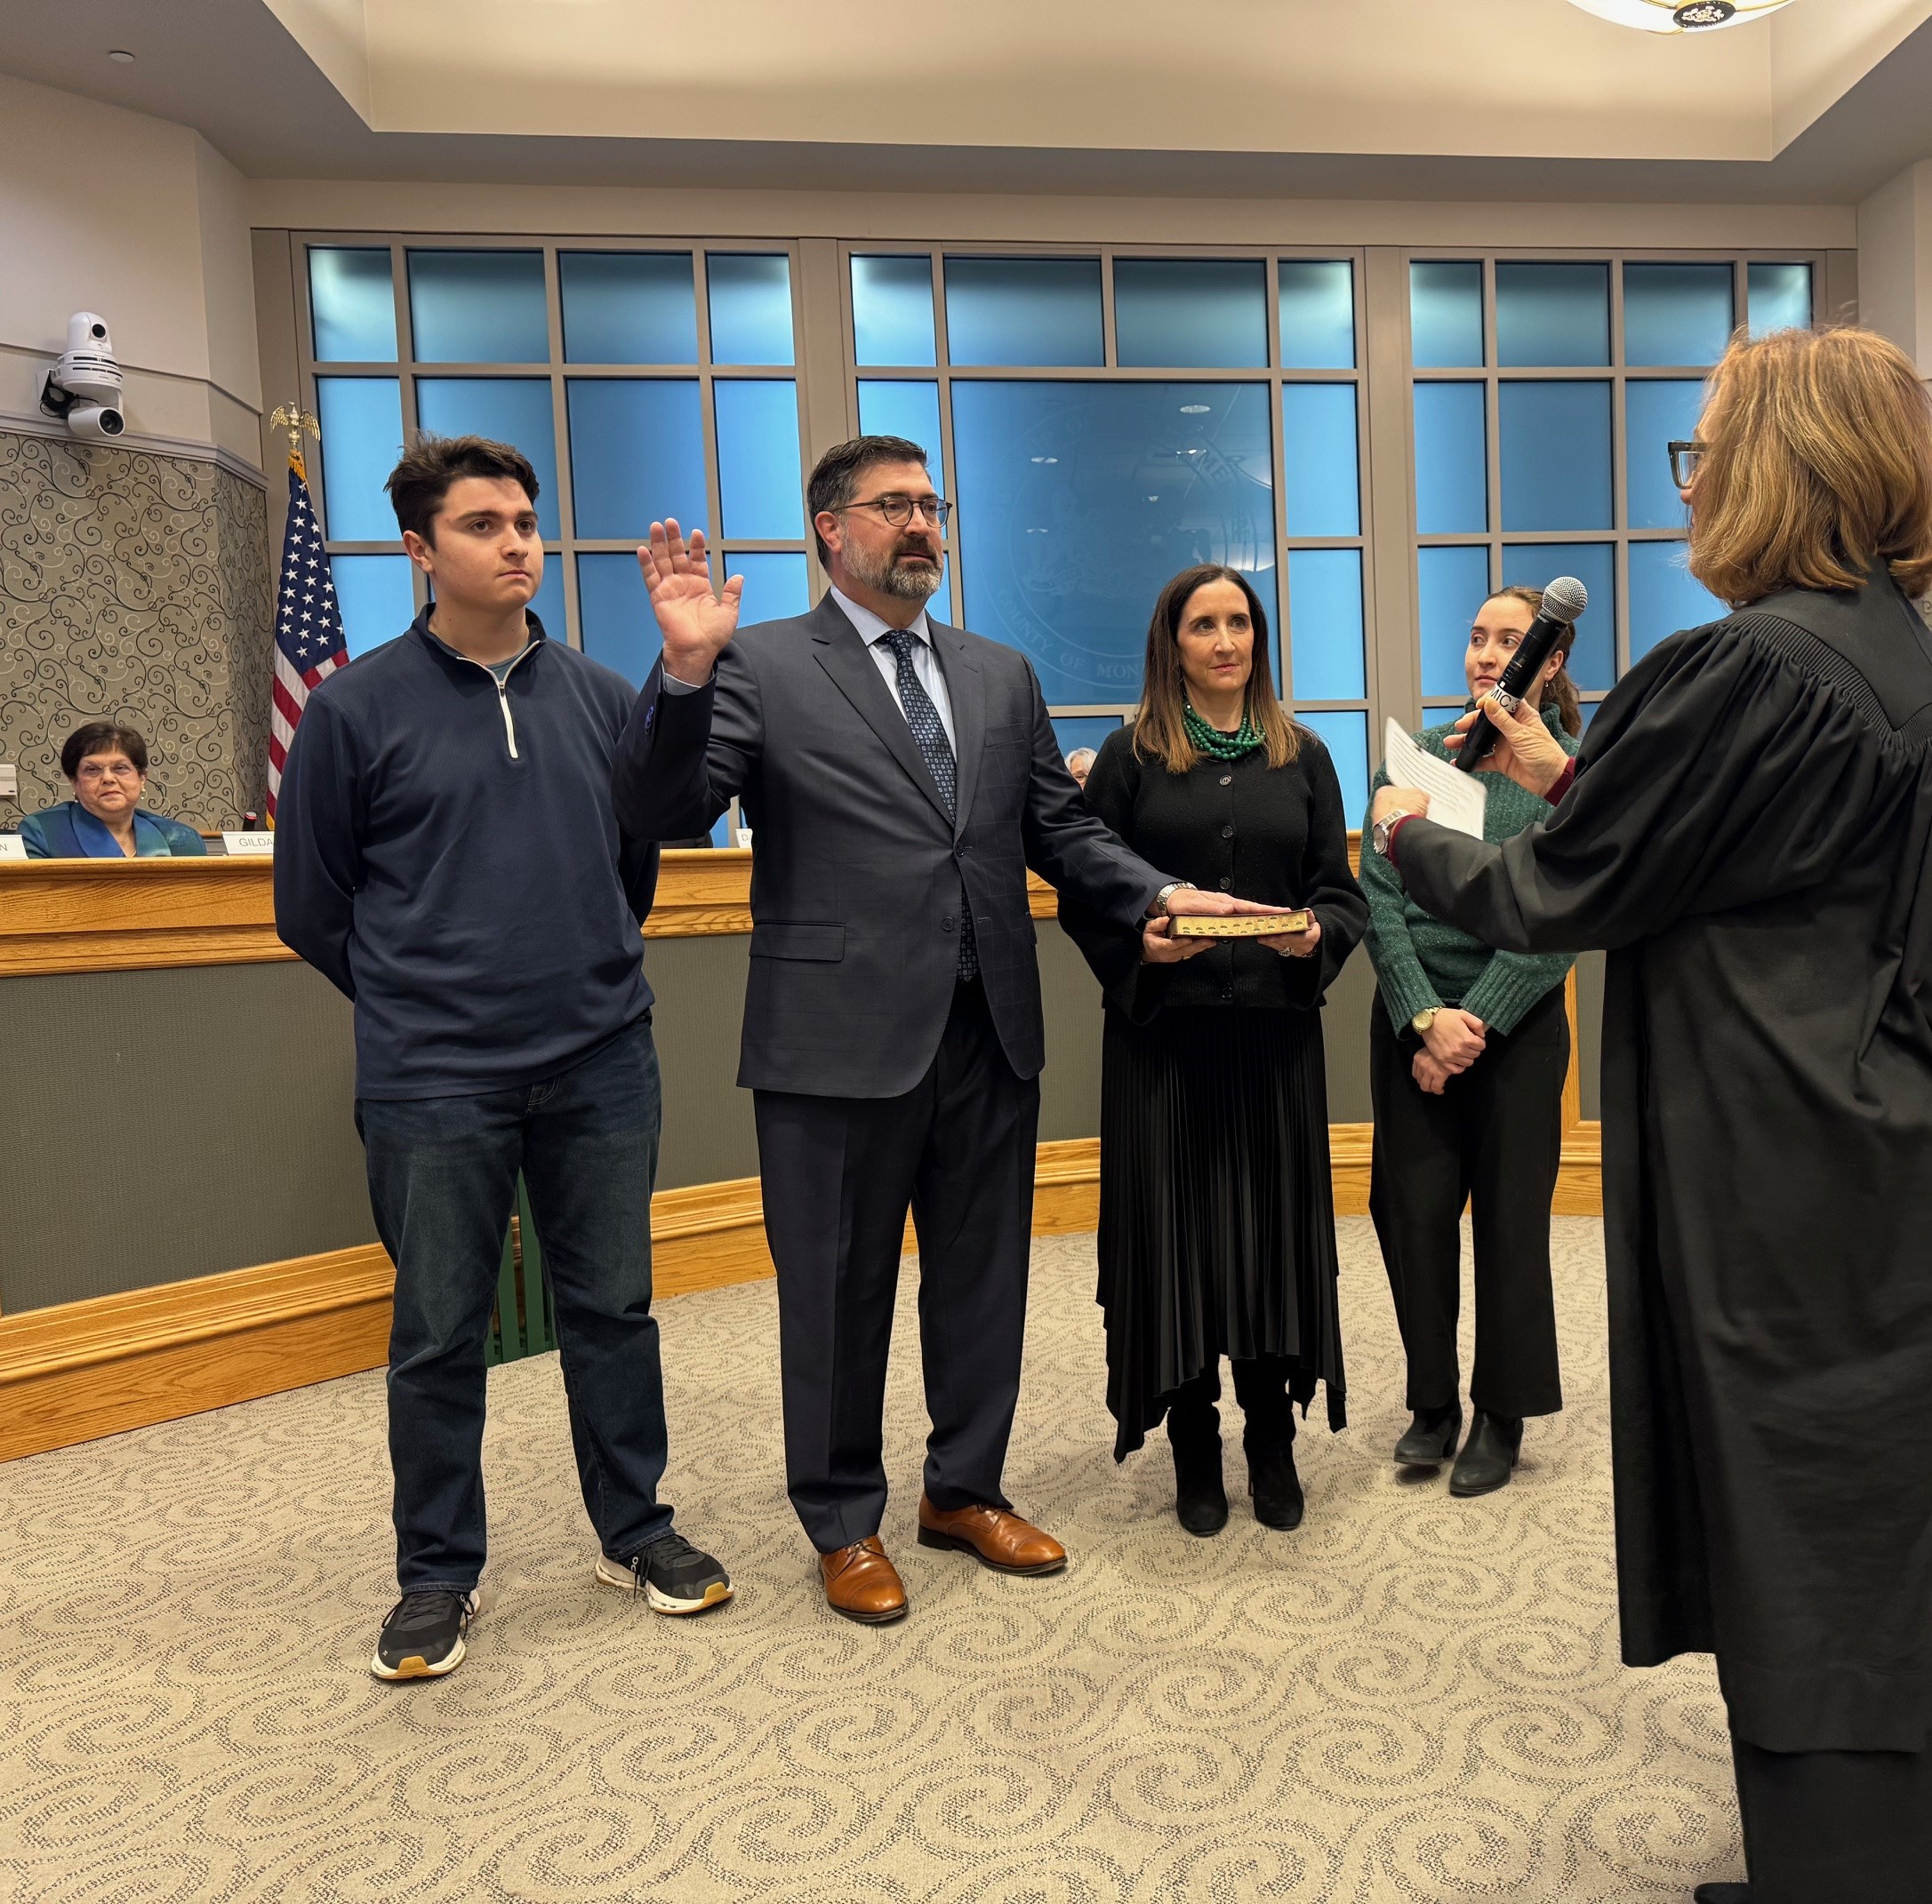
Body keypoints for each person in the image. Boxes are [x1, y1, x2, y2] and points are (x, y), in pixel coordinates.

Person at [1367, 326, 1932, 1904]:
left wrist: (1409, 832)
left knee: (1809, 1500)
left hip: (1791, 1136)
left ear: (1781, 462)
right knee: (1898, 1486)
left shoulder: (1742, 662)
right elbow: (1730, 850)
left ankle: (1851, 1882)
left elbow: (1549, 892)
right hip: (1909, 1112)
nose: (1697, 475)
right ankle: (1918, 1850)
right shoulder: (1900, 648)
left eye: (1710, 442)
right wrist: (1564, 766)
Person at [613, 436, 1272, 1625]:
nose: (921, 523)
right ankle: (842, 1519)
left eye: (931, 504)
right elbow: (666, 811)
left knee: (983, 1281)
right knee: (836, 1289)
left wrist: (1156, 892)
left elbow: (1060, 831)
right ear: (831, 529)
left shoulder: (999, 673)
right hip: (835, 1039)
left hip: (987, 1027)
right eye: (893, 506)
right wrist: (680, 670)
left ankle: (963, 1488)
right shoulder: (757, 663)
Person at [275, 435, 732, 1685]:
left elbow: (649, 845)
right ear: (422, 549)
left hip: (598, 1059)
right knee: (436, 1332)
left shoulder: (594, 691)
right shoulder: (353, 709)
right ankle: (436, 1575)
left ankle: (634, 1530)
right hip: (434, 1080)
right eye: (483, 524)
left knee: (613, 1309)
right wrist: (426, 1008)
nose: (518, 542)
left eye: (525, 520)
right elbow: (314, 907)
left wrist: (686, 676)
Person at [1057, 565, 1365, 1536]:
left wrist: (1314, 936)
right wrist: (1139, 944)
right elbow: (1087, 893)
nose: (1226, 640)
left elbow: (1341, 894)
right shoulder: (1129, 759)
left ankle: (1269, 1438)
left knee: (1269, 1240)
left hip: (1274, 1042)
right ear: (1172, 643)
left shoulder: (1305, 757)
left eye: (1239, 623)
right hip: (1164, 1044)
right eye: (1204, 624)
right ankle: (1194, 1439)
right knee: (1178, 1241)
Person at [1359, 587, 1583, 1498]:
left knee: (1510, 1227)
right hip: (1412, 1026)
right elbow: (1378, 896)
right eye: (1477, 638)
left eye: (1510, 641)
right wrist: (1423, 1015)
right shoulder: (1415, 761)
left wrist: (1475, 1021)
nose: (1488, 655)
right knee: (1409, 1218)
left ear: (1551, 660)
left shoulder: (1562, 773)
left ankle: (1502, 1412)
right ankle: (1431, 1405)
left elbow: (1563, 918)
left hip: (1516, 1032)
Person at [18, 723, 207, 858]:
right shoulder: (43, 832)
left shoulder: (182, 839)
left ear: (142, 778)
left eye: (120, 768)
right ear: (75, 782)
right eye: (92, 770)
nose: (108, 778)